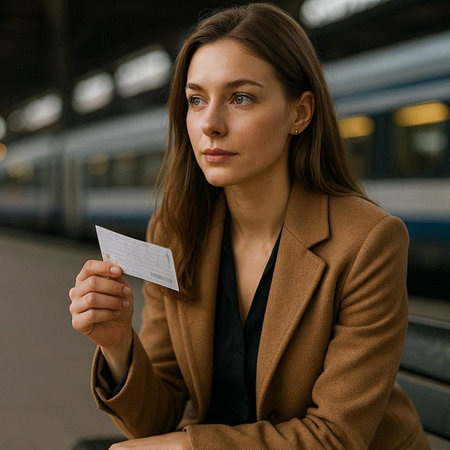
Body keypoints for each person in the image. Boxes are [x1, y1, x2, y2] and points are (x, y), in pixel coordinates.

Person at [69, 3, 430, 449]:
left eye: (240, 98)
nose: (210, 124)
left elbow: (336, 438)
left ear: (300, 114)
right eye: (196, 99)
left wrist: (187, 446)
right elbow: (156, 419)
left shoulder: (367, 240)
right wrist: (119, 345)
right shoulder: (177, 229)